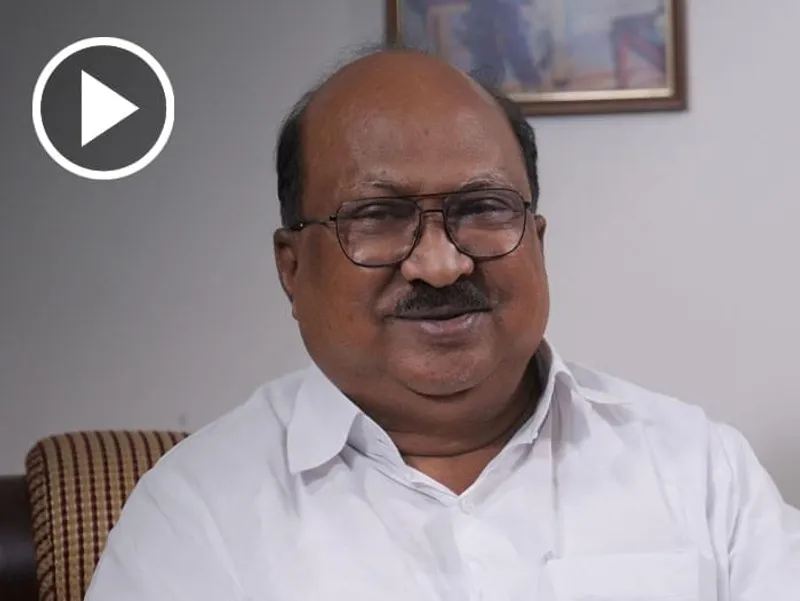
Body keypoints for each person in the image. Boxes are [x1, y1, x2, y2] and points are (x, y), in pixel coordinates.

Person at [84, 47, 800, 601]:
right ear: (292, 268)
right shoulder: (197, 513)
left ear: (537, 241)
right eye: (378, 215)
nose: (441, 263)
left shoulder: (699, 469)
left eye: (482, 208)